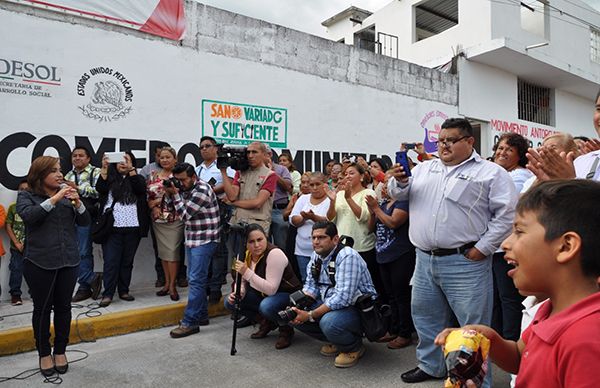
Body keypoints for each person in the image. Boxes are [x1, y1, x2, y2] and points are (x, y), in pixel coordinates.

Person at [387, 118, 517, 384]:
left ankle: (474, 379)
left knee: (472, 326)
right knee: (425, 316)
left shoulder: (490, 173)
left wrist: (484, 248)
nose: (444, 145)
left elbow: (507, 215)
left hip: (465, 261)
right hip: (424, 258)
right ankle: (431, 365)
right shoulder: (424, 168)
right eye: (441, 140)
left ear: (469, 141)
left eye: (451, 140)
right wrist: (398, 182)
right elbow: (399, 195)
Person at [435, 180, 600, 387]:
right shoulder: (551, 309)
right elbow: (521, 357)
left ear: (566, 246)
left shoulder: (586, 339)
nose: (505, 243)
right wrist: (490, 339)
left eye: (519, 232)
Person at [17, 156, 90, 376]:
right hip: (39, 261)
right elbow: (31, 217)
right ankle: (43, 354)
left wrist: (78, 203)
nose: (60, 174)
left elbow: (85, 222)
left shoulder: (67, 195)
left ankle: (60, 351)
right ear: (40, 175)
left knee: (64, 308)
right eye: (54, 171)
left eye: (60, 170)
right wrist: (56, 198)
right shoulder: (26, 195)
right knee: (42, 310)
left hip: (68, 260)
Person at [290, 221, 377, 368]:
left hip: (358, 308)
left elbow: (343, 297)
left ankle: (354, 347)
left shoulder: (347, 256)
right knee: (293, 314)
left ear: (335, 239)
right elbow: (311, 286)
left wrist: (311, 314)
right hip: (331, 302)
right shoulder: (316, 256)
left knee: (329, 322)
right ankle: (337, 341)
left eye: (322, 237)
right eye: (313, 238)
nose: (316, 242)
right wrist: (300, 305)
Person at [224, 224, 301, 349]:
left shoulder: (275, 253)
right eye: (251, 241)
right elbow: (239, 280)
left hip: (286, 294)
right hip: (261, 293)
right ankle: (266, 322)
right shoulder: (241, 254)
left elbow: (271, 290)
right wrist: (240, 291)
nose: (256, 245)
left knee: (267, 306)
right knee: (230, 302)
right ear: (245, 244)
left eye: (260, 240)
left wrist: (247, 272)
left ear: (266, 238)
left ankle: (285, 329)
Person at [168, 163, 220, 338]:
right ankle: (201, 315)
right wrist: (173, 192)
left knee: (196, 280)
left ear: (193, 177)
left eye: (183, 180)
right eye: (178, 180)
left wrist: (175, 194)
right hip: (193, 239)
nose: (180, 183)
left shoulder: (202, 189)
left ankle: (190, 322)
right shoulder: (187, 188)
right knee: (196, 279)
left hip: (205, 239)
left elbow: (184, 214)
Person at [491, 133, 533, 342]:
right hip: (494, 247)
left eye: (509, 149)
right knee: (497, 298)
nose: (502, 152)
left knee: (508, 298)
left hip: (507, 248)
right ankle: (499, 340)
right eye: (499, 148)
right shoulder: (500, 174)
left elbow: (502, 208)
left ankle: (511, 342)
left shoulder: (520, 176)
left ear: (520, 155)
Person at [366, 177, 415, 349]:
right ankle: (394, 329)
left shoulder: (403, 202)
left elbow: (394, 223)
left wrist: (375, 208)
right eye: (385, 184)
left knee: (402, 296)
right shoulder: (383, 204)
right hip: (383, 254)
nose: (386, 187)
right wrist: (373, 212)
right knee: (390, 295)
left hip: (400, 254)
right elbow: (370, 228)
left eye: (390, 184)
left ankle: (405, 333)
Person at [96, 151, 149, 307]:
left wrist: (131, 170)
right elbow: (100, 188)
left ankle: (124, 291)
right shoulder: (110, 178)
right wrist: (104, 169)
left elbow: (140, 189)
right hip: (112, 228)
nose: (123, 163)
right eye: (120, 160)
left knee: (127, 262)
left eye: (127, 160)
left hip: (133, 228)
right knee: (111, 262)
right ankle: (108, 294)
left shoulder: (136, 179)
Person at [324, 163, 383, 300]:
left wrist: (349, 198)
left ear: (362, 177)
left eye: (351, 173)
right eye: (346, 174)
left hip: (362, 247)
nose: (347, 176)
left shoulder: (368, 193)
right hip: (342, 248)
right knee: (343, 286)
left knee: (363, 288)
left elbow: (363, 217)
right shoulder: (339, 194)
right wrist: (332, 202)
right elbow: (330, 218)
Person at [221, 141, 278, 263]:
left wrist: (234, 203)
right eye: (248, 152)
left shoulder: (270, 175)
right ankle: (237, 283)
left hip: (257, 226)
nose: (250, 155)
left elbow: (257, 203)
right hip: (238, 223)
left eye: (254, 152)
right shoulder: (240, 172)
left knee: (254, 262)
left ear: (264, 155)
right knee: (236, 262)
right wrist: (223, 172)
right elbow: (231, 196)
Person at [195, 136, 235, 303]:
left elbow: (231, 183)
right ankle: (206, 284)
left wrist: (207, 190)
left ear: (216, 148)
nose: (204, 149)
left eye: (208, 146)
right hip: (201, 212)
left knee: (218, 250)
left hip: (220, 208)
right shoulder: (198, 169)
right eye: (202, 147)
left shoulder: (224, 166)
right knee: (204, 248)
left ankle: (215, 287)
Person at [64, 146, 102, 303]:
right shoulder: (69, 174)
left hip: (87, 216)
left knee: (83, 250)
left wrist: (77, 188)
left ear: (88, 159)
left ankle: (85, 285)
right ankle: (90, 280)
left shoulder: (96, 172)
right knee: (75, 251)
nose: (77, 158)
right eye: (74, 156)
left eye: (81, 155)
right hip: (70, 216)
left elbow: (99, 192)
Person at [146, 147, 184, 301]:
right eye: (162, 157)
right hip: (158, 220)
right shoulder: (153, 175)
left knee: (173, 253)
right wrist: (153, 205)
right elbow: (148, 197)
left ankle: (173, 285)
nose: (165, 160)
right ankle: (167, 284)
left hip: (175, 219)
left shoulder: (180, 175)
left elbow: (184, 195)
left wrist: (164, 197)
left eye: (168, 157)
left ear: (175, 159)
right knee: (163, 254)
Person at [289, 172, 330, 282]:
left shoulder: (330, 199)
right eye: (312, 185)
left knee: (324, 281)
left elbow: (330, 221)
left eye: (318, 184)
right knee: (306, 280)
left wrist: (313, 217)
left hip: (323, 251)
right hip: (302, 250)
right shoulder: (303, 199)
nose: (315, 188)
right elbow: (292, 219)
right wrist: (304, 218)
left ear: (325, 184)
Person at [6, 180, 29, 306]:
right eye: (21, 189)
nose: (24, 191)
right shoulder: (13, 208)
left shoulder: (33, 206)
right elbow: (8, 226)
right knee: (16, 269)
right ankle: (15, 294)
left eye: (27, 189)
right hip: (16, 247)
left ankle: (35, 292)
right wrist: (17, 243)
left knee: (34, 271)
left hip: (31, 247)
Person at [266, 147, 293, 249]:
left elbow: (288, 187)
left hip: (279, 210)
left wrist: (273, 173)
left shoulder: (282, 169)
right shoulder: (255, 170)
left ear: (269, 155)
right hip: (262, 210)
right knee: (263, 245)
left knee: (281, 245)